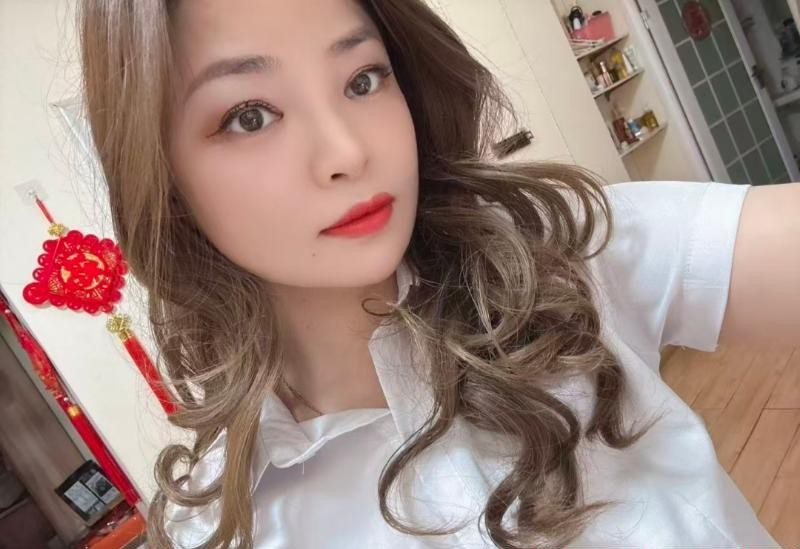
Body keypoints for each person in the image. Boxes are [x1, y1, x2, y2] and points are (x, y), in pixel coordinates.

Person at [77, 0, 799, 547]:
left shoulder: (562, 261)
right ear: (162, 174)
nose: (346, 151)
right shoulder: (221, 526)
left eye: (363, 79)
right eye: (250, 116)